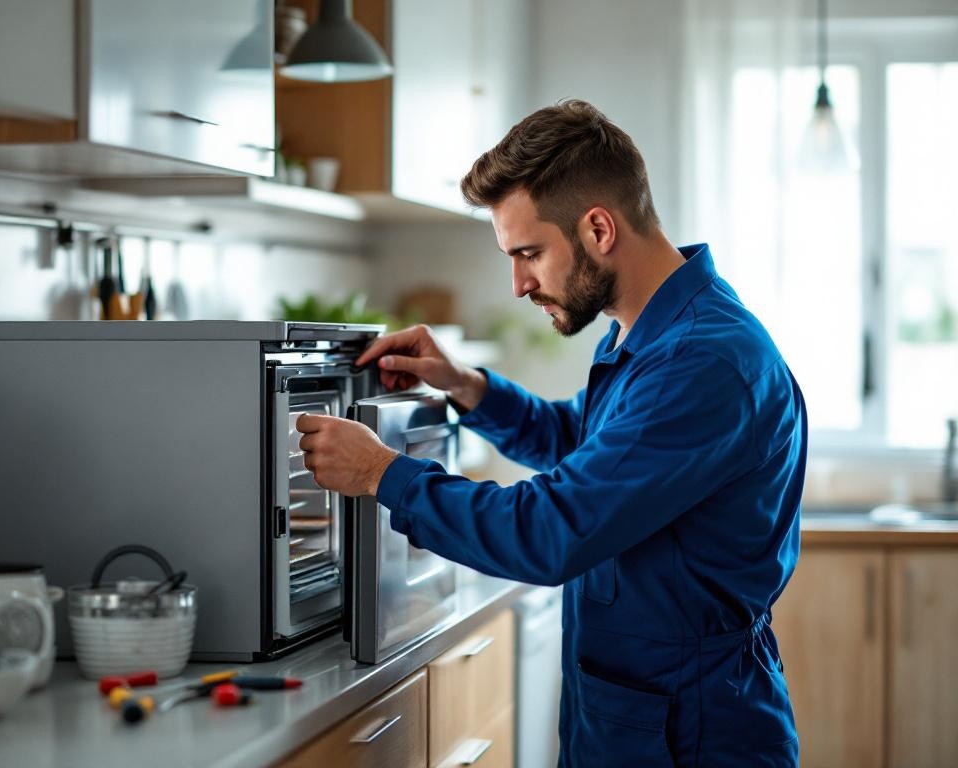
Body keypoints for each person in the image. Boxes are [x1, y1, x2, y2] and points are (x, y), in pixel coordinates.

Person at [296, 100, 806, 767]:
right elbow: (584, 443)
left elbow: (553, 531)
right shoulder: (645, 332)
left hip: (693, 734)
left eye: (529, 253)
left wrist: (382, 474)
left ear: (597, 229)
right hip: (634, 717)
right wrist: (465, 385)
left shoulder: (701, 361)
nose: (518, 284)